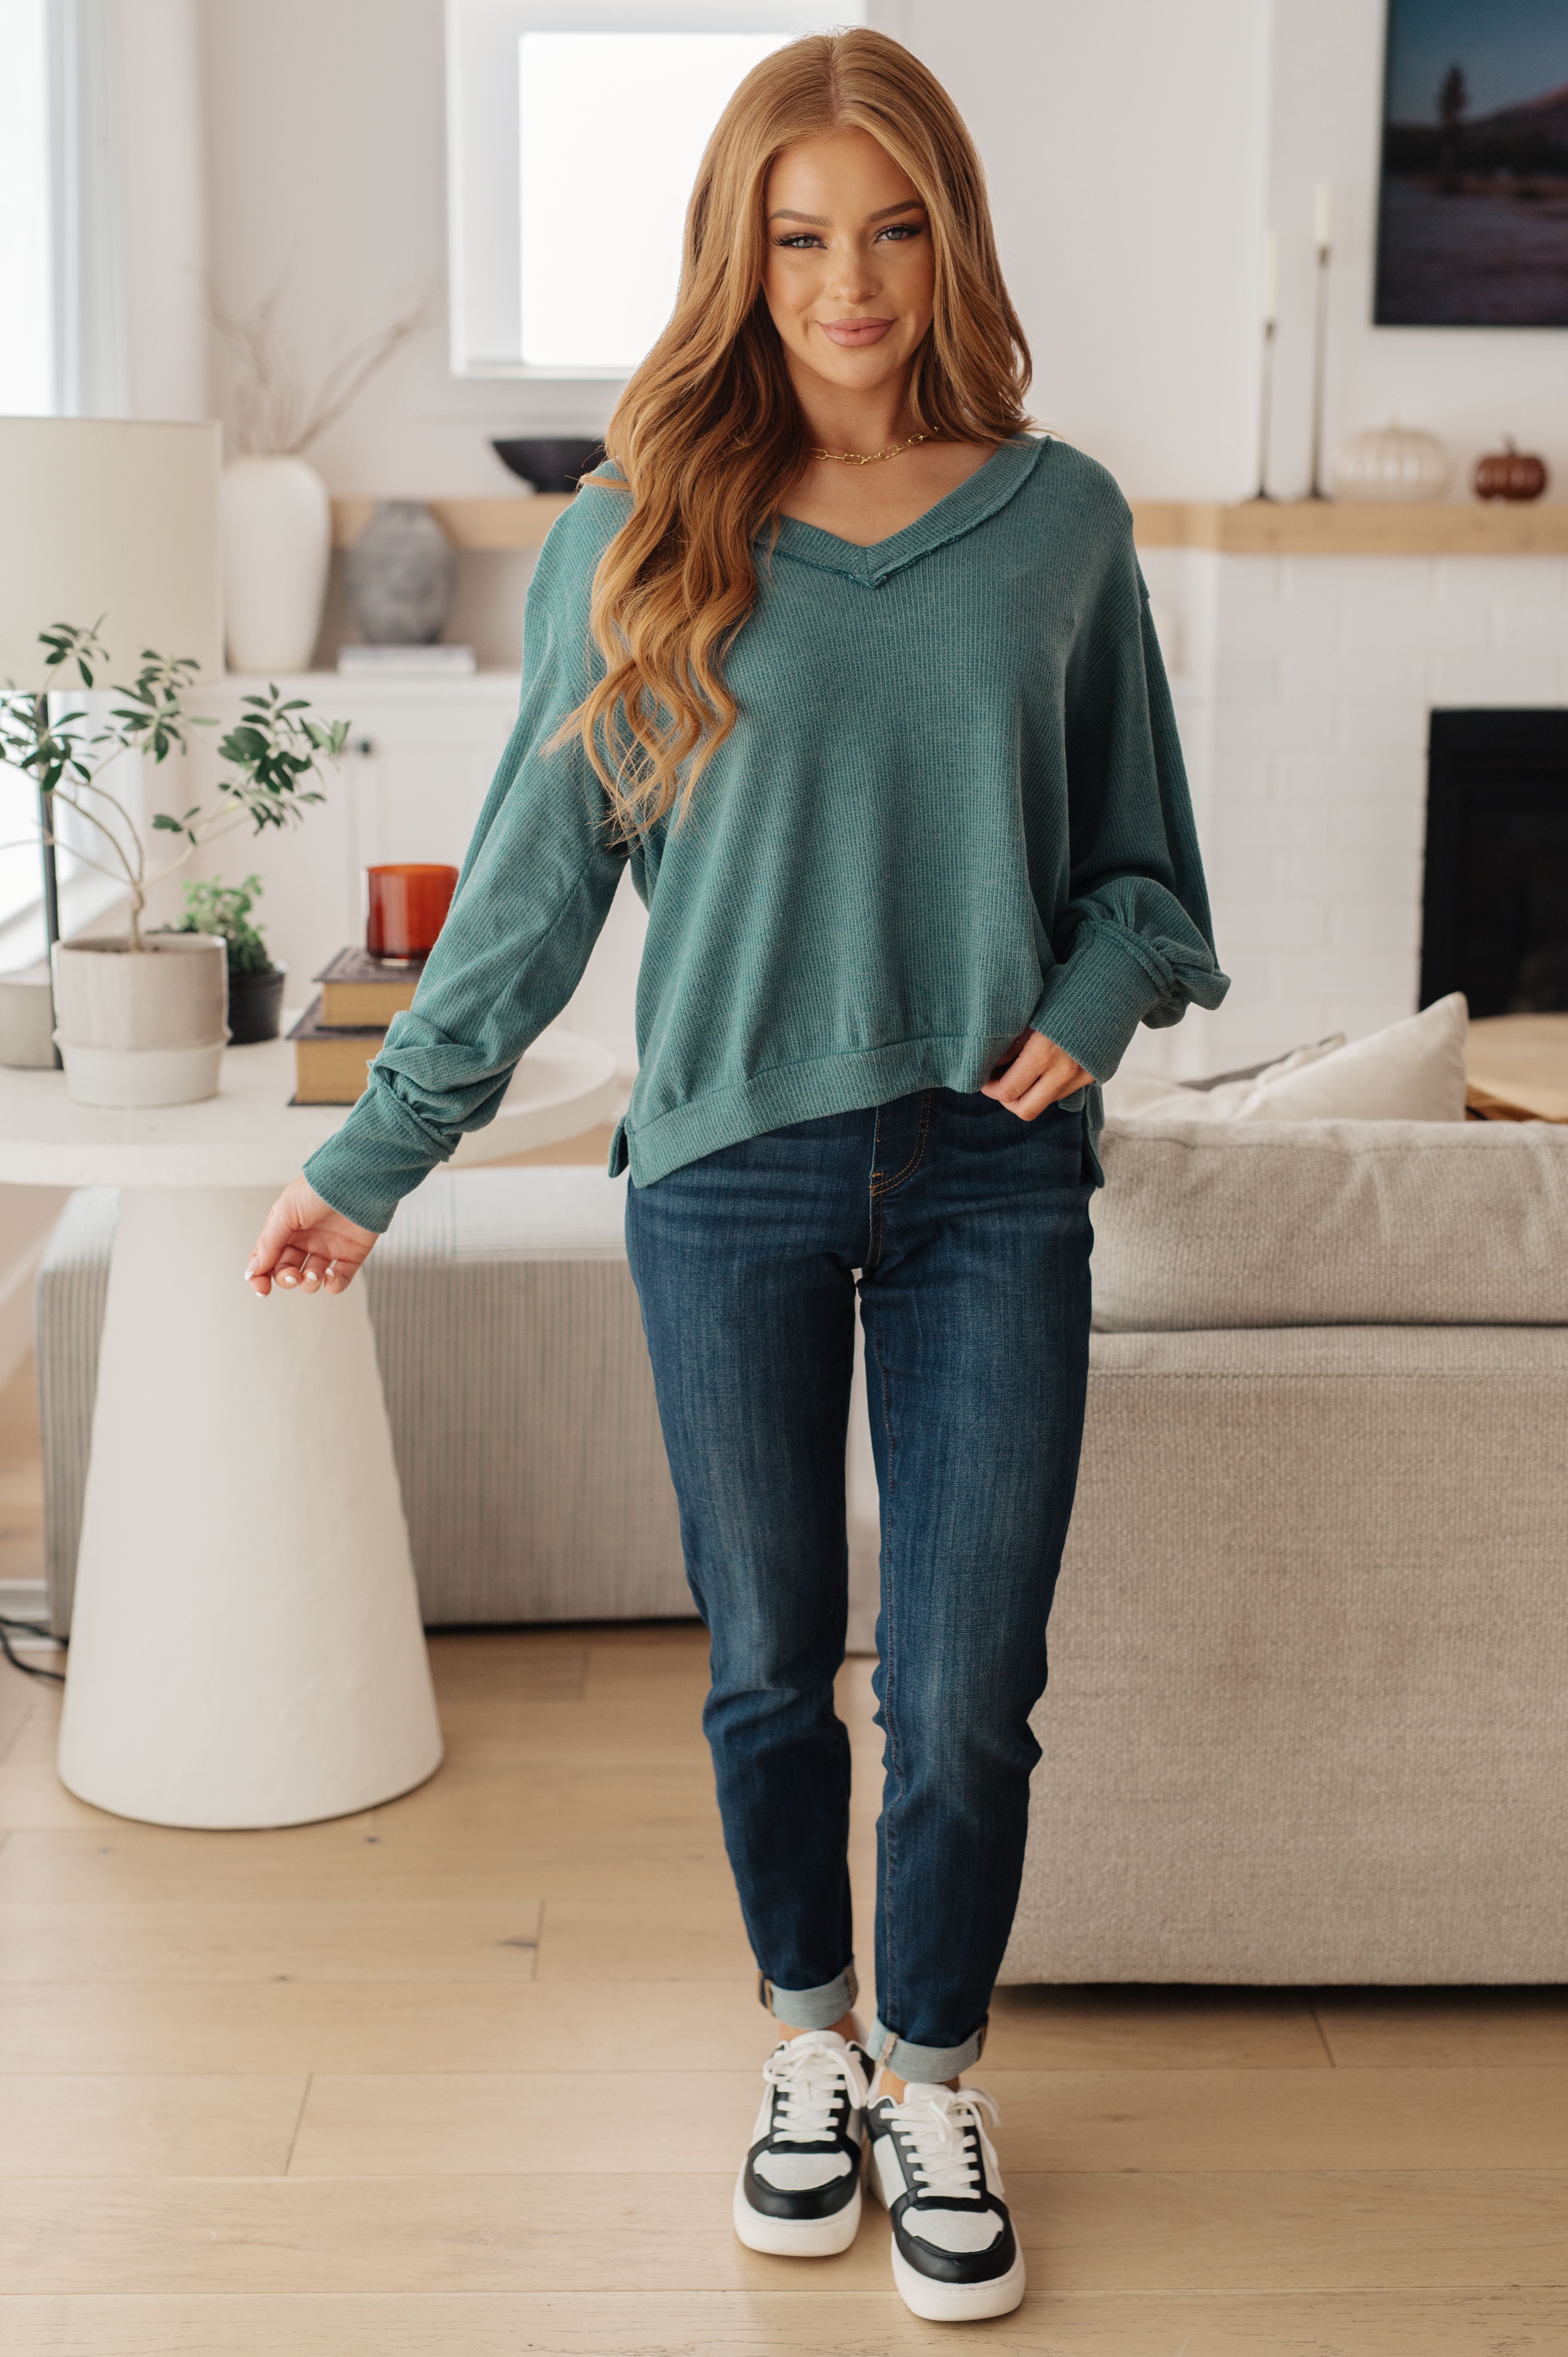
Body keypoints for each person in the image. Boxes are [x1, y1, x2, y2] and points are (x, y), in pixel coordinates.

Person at [245, 28, 1227, 2324]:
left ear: (949, 236)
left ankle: (934, 2066)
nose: (851, 279)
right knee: (773, 1665)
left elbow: (1152, 882)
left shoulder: (1060, 520)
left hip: (999, 1181)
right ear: (739, 253)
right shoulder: (637, 527)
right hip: (726, 1180)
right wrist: (376, 1157)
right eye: (800, 236)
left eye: (891, 228)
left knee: (968, 1678)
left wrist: (1092, 1004)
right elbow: (525, 900)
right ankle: (808, 2043)